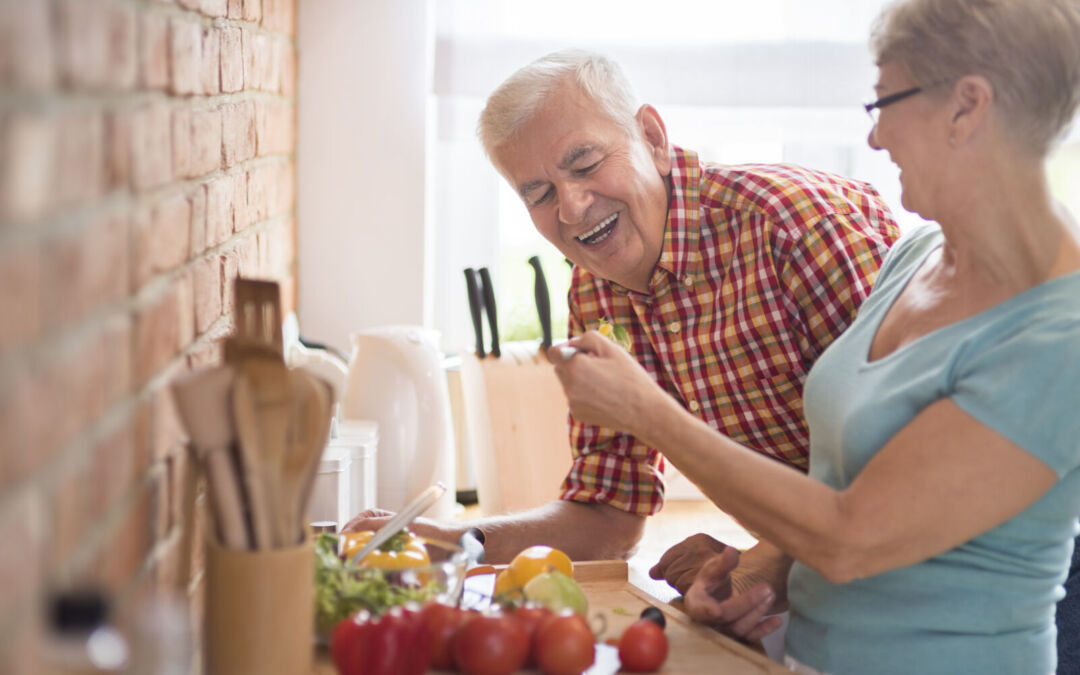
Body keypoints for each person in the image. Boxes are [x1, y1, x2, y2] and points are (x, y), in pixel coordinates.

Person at [551, 0, 1080, 672]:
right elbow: (834, 492)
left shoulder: (1060, 334)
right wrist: (755, 588)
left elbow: (850, 538)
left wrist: (647, 410)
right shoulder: (910, 259)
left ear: (967, 106)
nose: (876, 138)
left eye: (885, 102)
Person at [343, 50, 899, 569]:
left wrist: (767, 565)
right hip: (823, 571)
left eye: (584, 164)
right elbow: (609, 515)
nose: (572, 206)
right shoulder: (594, 291)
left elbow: (910, 468)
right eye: (538, 193)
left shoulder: (794, 228)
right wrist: (454, 542)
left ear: (653, 138)